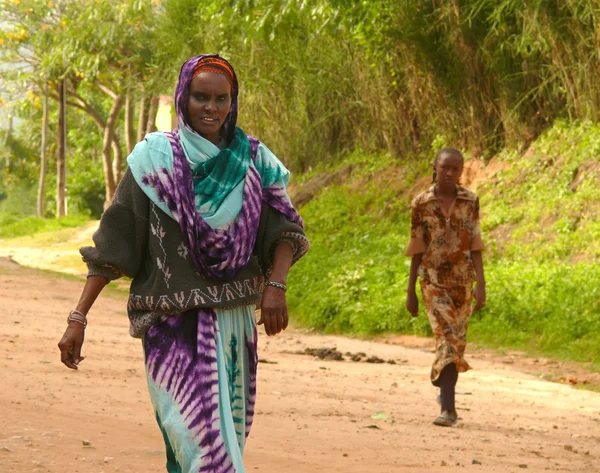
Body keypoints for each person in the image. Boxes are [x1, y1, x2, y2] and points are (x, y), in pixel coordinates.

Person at [57, 54, 309, 472]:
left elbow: (284, 228)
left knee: (213, 449)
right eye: (200, 97)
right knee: (202, 448)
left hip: (233, 326)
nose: (210, 107)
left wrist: (276, 285)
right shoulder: (153, 160)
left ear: (233, 102)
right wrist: (78, 316)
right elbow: (114, 243)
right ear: (182, 97)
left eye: (221, 98)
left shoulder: (254, 160)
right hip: (170, 327)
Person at [405, 147, 485, 427]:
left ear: (461, 171)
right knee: (448, 338)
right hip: (433, 282)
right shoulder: (421, 203)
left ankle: (444, 391)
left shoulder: (470, 200)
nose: (449, 173)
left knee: (454, 345)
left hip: (463, 284)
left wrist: (481, 285)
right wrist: (411, 291)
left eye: (455, 169)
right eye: (444, 168)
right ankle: (449, 409)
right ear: (435, 168)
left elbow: (475, 244)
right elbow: (417, 247)